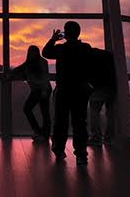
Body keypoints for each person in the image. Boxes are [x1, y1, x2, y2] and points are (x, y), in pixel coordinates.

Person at [43, 21, 93, 166]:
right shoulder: (86, 48)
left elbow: (45, 52)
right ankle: (81, 155)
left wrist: (53, 39)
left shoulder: (61, 49)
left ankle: (59, 150)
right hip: (80, 91)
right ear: (78, 32)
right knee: (80, 122)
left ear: (66, 33)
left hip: (64, 90)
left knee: (60, 122)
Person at [9, 45, 52, 141]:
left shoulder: (42, 62)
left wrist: (44, 90)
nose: (33, 54)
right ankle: (41, 132)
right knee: (35, 110)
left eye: (34, 52)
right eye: (31, 52)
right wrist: (11, 73)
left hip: (42, 89)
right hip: (37, 90)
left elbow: (45, 77)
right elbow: (18, 69)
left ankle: (42, 133)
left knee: (42, 111)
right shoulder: (28, 64)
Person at [88, 48, 117, 146]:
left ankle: (96, 137)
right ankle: (109, 138)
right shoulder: (109, 56)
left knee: (94, 112)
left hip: (97, 88)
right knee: (111, 113)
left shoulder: (91, 58)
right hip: (111, 87)